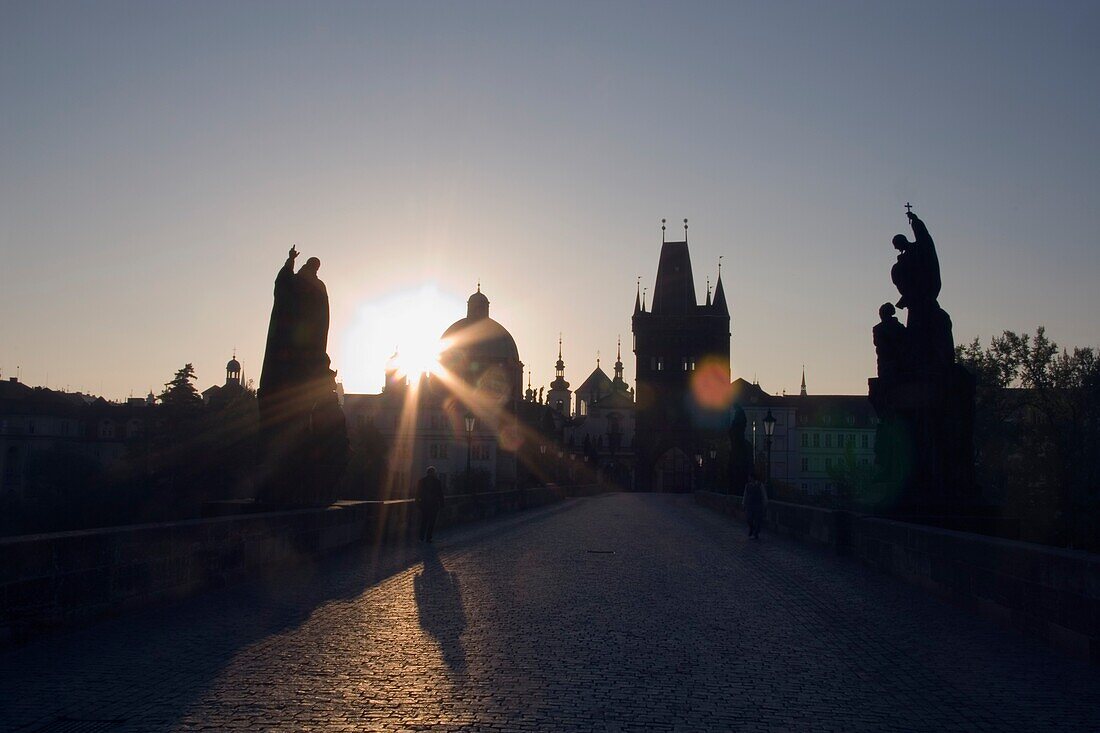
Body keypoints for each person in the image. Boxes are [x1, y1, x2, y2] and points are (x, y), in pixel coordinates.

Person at [416, 466, 445, 543]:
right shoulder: (437, 482)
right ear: (433, 473)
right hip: (433, 505)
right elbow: (440, 494)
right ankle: (428, 538)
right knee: (431, 522)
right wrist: (442, 504)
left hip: (424, 504)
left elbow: (417, 493)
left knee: (424, 521)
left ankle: (421, 537)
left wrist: (417, 503)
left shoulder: (421, 481)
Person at [742, 472, 768, 540]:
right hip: (750, 505)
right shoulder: (747, 485)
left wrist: (765, 503)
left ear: (752, 477)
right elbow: (745, 495)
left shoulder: (760, 485)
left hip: (758, 505)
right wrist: (743, 503)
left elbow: (763, 494)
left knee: (757, 520)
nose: (748, 478)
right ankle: (752, 529)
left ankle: (755, 533)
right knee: (749, 519)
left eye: (749, 477)